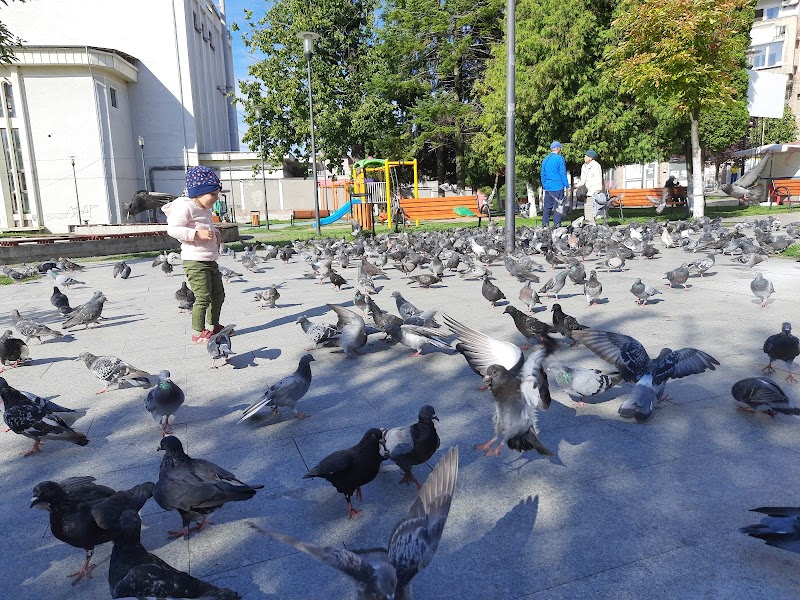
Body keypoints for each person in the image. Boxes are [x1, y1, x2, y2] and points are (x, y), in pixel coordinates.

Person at [163, 166, 228, 344]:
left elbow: (206, 227)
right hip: (194, 261)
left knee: (218, 295)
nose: (215, 199)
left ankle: (212, 325)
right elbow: (173, 229)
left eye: (217, 194)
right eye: (213, 195)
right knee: (203, 296)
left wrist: (216, 236)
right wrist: (196, 235)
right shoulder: (185, 206)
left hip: (209, 259)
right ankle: (197, 332)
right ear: (199, 192)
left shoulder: (204, 208)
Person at [540, 141, 569, 228]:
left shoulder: (545, 159)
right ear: (557, 148)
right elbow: (562, 172)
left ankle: (545, 225)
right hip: (558, 186)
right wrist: (566, 185)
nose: (560, 149)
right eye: (560, 148)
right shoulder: (559, 158)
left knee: (547, 207)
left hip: (548, 187)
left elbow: (542, 174)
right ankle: (557, 225)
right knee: (558, 206)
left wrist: (544, 185)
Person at [576, 150, 604, 224]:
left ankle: (591, 225)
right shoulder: (584, 166)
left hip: (593, 190)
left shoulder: (596, 165)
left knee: (591, 209)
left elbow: (598, 178)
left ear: (591, 158)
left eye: (586, 156)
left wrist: (598, 189)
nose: (584, 157)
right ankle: (589, 224)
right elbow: (583, 179)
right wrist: (577, 186)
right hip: (585, 191)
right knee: (587, 208)